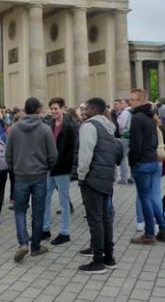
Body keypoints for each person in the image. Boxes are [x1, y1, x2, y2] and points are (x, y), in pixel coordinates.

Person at [5, 97, 57, 262]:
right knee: (38, 211)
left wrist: (15, 169)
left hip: (20, 176)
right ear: (37, 110)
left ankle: (22, 243)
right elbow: (53, 155)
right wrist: (47, 167)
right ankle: (35, 247)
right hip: (40, 176)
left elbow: (8, 154)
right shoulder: (45, 128)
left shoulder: (13, 129)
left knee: (20, 210)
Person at [77, 97, 123, 274]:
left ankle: (97, 262)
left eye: (86, 108)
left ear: (93, 110)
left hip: (93, 179)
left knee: (95, 220)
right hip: (106, 178)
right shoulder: (108, 127)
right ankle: (109, 258)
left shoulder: (89, 126)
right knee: (105, 219)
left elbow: (85, 155)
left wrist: (82, 176)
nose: (83, 112)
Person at [128, 89, 165, 244]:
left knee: (145, 199)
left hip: (142, 163)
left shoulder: (137, 118)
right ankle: (162, 229)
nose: (130, 102)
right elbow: (155, 141)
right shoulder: (151, 116)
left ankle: (149, 234)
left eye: (134, 100)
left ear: (141, 101)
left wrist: (132, 162)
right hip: (154, 162)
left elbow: (135, 144)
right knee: (151, 197)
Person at [42, 97, 77, 245]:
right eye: (52, 109)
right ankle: (44, 229)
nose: (53, 111)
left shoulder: (71, 125)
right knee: (45, 197)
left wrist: (73, 169)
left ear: (63, 108)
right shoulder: (49, 123)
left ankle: (65, 232)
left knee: (64, 201)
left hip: (63, 168)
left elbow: (75, 149)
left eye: (56, 108)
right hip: (50, 167)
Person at [117, 99, 134, 184]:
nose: (120, 105)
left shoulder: (125, 112)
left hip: (125, 136)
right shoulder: (133, 111)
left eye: (121, 103)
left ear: (127, 103)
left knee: (122, 157)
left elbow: (122, 124)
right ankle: (132, 177)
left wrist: (121, 130)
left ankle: (123, 178)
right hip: (133, 136)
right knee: (132, 157)